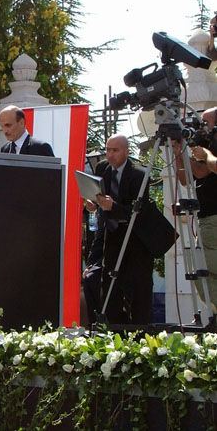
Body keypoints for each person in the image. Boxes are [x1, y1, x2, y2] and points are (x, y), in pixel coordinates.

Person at [86, 134, 153, 325]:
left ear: (126, 151)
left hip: (136, 237)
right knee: (109, 285)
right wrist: (93, 203)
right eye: (108, 149)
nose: (110, 155)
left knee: (139, 287)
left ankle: (142, 332)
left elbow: (138, 211)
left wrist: (113, 207)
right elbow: (97, 193)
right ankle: (114, 330)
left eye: (115, 150)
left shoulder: (139, 175)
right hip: (112, 235)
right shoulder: (102, 168)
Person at [175, 107, 217, 311]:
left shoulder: (212, 147)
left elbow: (205, 170)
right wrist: (178, 152)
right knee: (199, 271)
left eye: (205, 123)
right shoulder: (204, 145)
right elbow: (186, 178)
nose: (202, 127)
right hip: (205, 219)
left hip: (214, 220)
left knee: (204, 267)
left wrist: (205, 154)